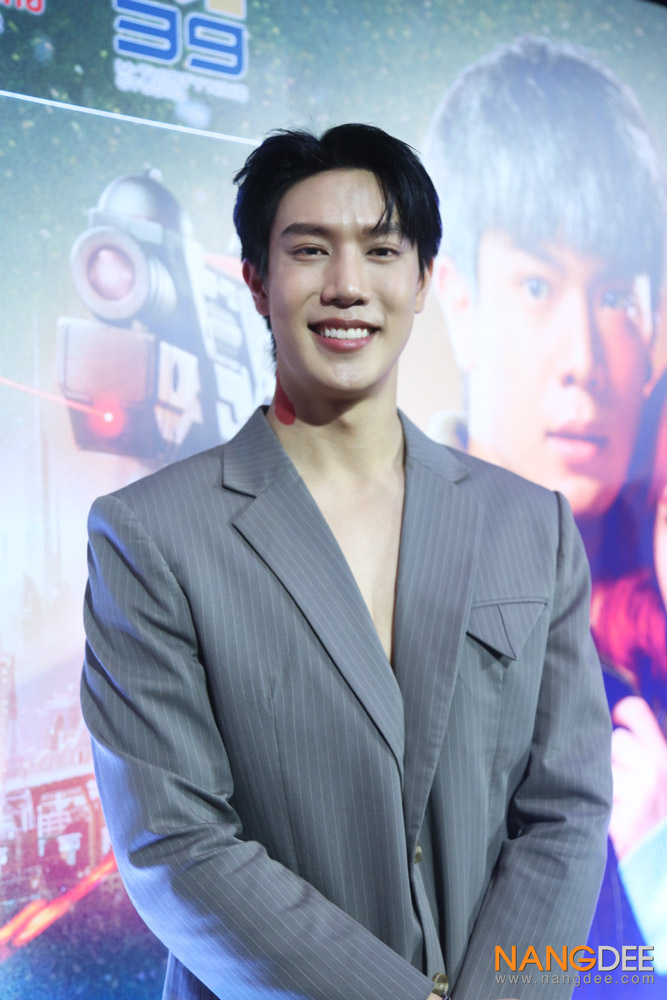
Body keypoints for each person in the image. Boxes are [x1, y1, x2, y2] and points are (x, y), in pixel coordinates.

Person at [81, 123, 611, 1000]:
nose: (346, 285)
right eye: (309, 250)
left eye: (381, 250)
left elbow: (567, 809)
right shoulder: (150, 534)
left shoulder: (532, 525)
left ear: (423, 280)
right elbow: (176, 845)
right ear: (256, 280)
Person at [424, 35, 667, 992]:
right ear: (458, 302)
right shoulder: (366, 585)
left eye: (613, 296)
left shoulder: (646, 606)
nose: (583, 358)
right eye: (535, 285)